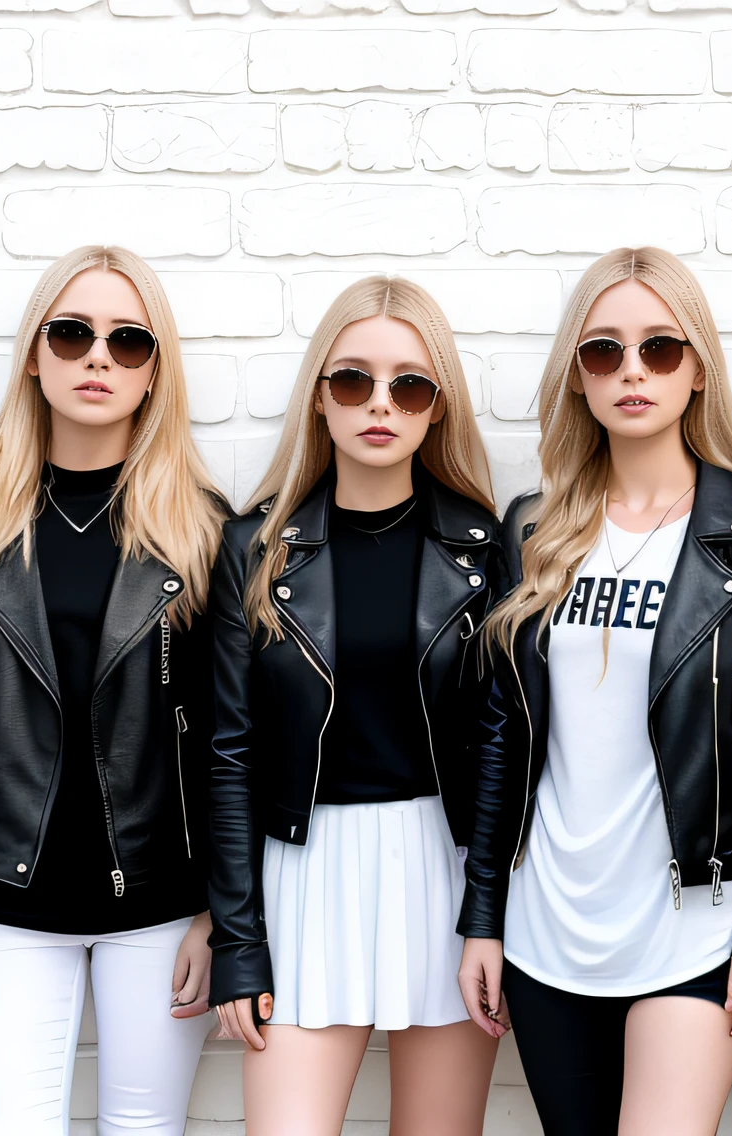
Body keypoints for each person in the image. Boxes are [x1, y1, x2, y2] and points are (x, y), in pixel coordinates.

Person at [455, 247, 732, 1136]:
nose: (632, 371)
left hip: (695, 922)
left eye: (659, 348)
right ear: (577, 376)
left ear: (697, 370)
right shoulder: (534, 528)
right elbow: (504, 735)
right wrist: (484, 919)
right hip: (549, 924)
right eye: (604, 351)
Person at [0, 245, 225, 1135]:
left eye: (129, 341)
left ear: (154, 372)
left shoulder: (202, 531)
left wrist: (219, 913)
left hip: (161, 909)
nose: (98, 358)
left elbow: (227, 741)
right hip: (6, 907)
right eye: (73, 333)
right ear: (33, 357)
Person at [205, 276, 504, 1133]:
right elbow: (228, 755)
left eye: (409, 385)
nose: (379, 403)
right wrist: (237, 939)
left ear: (437, 408)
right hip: (303, 868)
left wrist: (487, 913)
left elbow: (500, 745)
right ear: (319, 397)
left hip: (444, 866)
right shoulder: (254, 551)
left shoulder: (483, 551)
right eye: (352, 380)